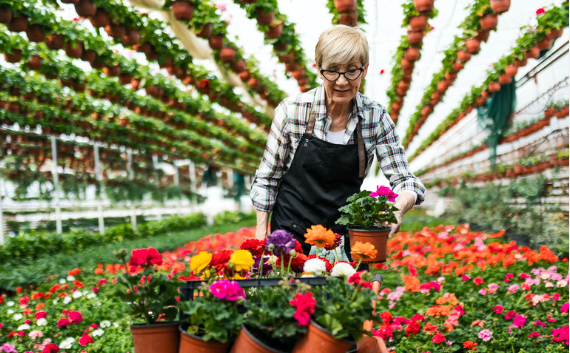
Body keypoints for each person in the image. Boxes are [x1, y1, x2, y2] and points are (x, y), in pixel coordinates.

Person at [250, 25, 426, 258]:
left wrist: (398, 208)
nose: (342, 82)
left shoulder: (375, 117)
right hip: (290, 232)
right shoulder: (292, 111)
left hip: (343, 237)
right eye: (332, 71)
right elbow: (267, 179)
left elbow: (406, 181)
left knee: (346, 294)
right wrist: (261, 238)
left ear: (364, 70)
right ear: (319, 69)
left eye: (352, 71)